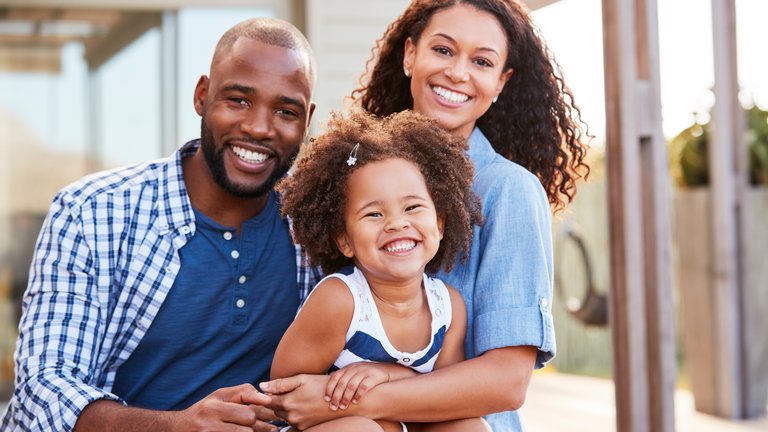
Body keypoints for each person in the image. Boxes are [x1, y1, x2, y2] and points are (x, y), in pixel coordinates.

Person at [260, 1, 590, 431]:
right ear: (410, 54)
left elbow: (507, 382)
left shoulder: (508, 190)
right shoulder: (354, 173)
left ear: (501, 81)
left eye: (482, 61)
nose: (458, 72)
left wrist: (359, 395)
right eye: (443, 50)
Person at [1, 17, 318, 432]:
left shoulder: (317, 228)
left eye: (285, 111)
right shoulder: (92, 213)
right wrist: (177, 426)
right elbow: (42, 390)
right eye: (239, 100)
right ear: (202, 96)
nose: (259, 127)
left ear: (307, 120)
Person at [271, 110, 487, 432]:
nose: (397, 223)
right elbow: (284, 395)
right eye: (374, 214)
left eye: (412, 207)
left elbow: (443, 398)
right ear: (345, 241)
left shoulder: (447, 308)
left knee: (469, 426)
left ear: (440, 224)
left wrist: (389, 375)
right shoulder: (341, 300)